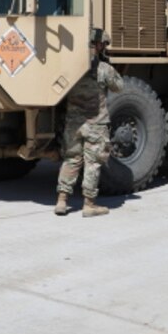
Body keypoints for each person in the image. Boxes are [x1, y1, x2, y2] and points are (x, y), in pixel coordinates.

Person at [55, 29, 123, 217]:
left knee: (71, 159)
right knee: (92, 164)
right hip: (96, 124)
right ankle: (89, 204)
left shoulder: (70, 67)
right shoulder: (104, 69)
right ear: (99, 45)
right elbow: (119, 87)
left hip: (73, 124)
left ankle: (61, 201)